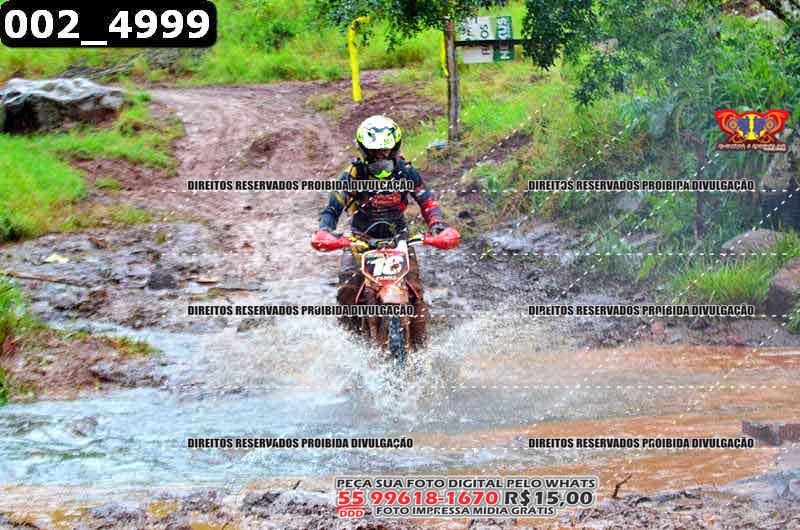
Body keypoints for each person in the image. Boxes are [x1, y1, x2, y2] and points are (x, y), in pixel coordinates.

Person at [310, 115, 458, 346]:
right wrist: (325, 231)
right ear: (364, 150)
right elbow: (332, 209)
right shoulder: (352, 175)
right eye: (375, 151)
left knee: (416, 295)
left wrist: (438, 225)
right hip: (360, 242)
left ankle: (421, 350)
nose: (381, 156)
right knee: (347, 290)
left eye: (386, 150)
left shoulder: (406, 172)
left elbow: (427, 201)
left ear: (395, 148)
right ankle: (349, 346)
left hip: (399, 241)